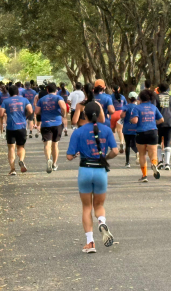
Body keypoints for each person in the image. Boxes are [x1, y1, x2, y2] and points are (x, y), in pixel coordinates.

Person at [67, 102, 119, 253]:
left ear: (85, 115)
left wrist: (75, 154)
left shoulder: (78, 132)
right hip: (100, 171)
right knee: (99, 205)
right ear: (100, 114)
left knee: (86, 207)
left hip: (85, 170)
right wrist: (105, 158)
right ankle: (101, 222)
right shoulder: (107, 130)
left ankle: (90, 243)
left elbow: (69, 156)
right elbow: (115, 151)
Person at [129, 90, 164, 182]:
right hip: (152, 132)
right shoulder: (153, 107)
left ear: (140, 98)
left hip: (141, 133)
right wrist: (153, 123)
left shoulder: (137, 108)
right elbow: (161, 119)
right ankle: (154, 164)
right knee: (153, 153)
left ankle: (144, 176)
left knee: (142, 154)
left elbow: (135, 121)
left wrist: (131, 120)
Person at [0, 85, 33, 176]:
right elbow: (30, 110)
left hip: (10, 127)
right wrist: (25, 116)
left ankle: (13, 169)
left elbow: (0, 114)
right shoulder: (24, 100)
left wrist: (5, 115)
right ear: (18, 92)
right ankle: (21, 160)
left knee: (11, 148)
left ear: (9, 93)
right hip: (21, 127)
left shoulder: (6, 101)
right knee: (21, 147)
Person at [36, 83, 67, 173]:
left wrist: (44, 111)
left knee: (47, 144)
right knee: (55, 144)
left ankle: (48, 159)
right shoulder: (58, 98)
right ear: (56, 90)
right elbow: (63, 106)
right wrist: (63, 114)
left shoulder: (42, 99)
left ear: (47, 90)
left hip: (46, 124)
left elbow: (37, 111)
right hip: (57, 123)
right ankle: (54, 163)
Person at [155, 82, 171, 170]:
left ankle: (160, 161)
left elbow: (153, 109)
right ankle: (167, 163)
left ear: (159, 89)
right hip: (169, 122)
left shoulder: (156, 98)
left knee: (158, 142)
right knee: (167, 142)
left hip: (159, 122)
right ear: (168, 89)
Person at [120, 91, 139, 167]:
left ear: (129, 98)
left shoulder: (126, 106)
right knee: (134, 143)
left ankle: (127, 162)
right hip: (135, 128)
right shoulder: (138, 107)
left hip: (127, 129)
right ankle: (137, 152)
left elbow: (122, 115)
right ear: (136, 99)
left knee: (127, 145)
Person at [110, 85, 127, 153]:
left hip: (113, 114)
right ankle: (122, 143)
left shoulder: (110, 97)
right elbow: (126, 106)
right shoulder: (122, 97)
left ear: (112, 89)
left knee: (112, 131)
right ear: (119, 89)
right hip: (120, 114)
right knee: (120, 130)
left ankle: (113, 145)